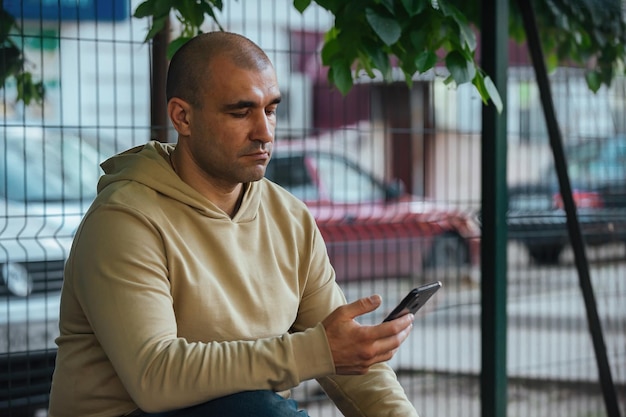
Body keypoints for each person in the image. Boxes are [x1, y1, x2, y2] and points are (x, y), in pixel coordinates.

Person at [48, 31, 419, 417]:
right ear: (182, 116)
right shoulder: (124, 219)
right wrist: (317, 350)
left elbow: (352, 365)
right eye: (241, 112)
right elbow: (155, 376)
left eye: (271, 109)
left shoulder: (289, 217)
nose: (264, 132)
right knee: (260, 409)